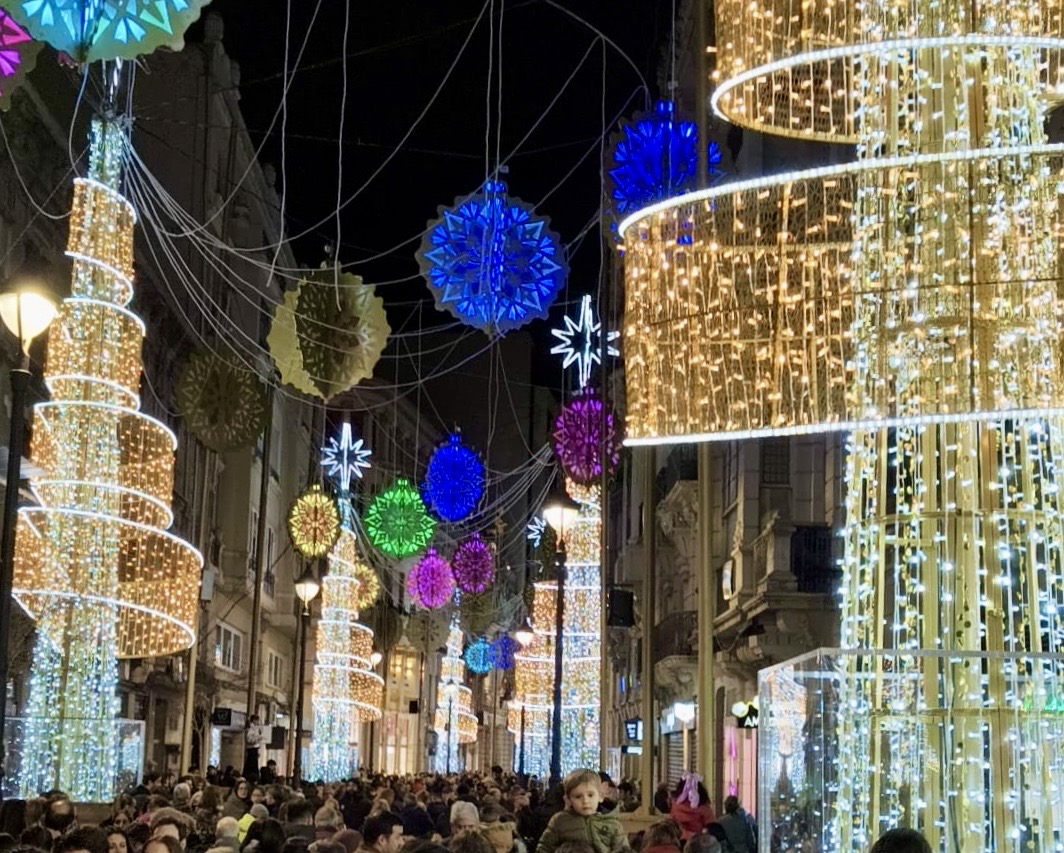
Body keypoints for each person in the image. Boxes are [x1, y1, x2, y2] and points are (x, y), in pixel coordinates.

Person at [534, 770, 629, 853]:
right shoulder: (560, 821)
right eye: (578, 796)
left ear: (600, 796)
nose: (585, 801)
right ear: (568, 800)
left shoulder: (611, 823)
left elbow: (622, 849)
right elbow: (544, 848)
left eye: (590, 795)